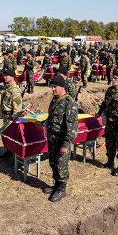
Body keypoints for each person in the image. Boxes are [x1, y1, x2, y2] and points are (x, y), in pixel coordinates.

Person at [41, 74, 78, 202]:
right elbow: (52, 117)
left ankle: (62, 189)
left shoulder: (70, 103)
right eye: (52, 87)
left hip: (62, 140)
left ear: (62, 87)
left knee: (61, 165)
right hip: (52, 139)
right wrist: (42, 123)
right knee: (53, 163)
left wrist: (66, 144)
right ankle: (56, 185)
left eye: (54, 87)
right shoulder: (54, 100)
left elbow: (72, 127)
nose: (52, 89)